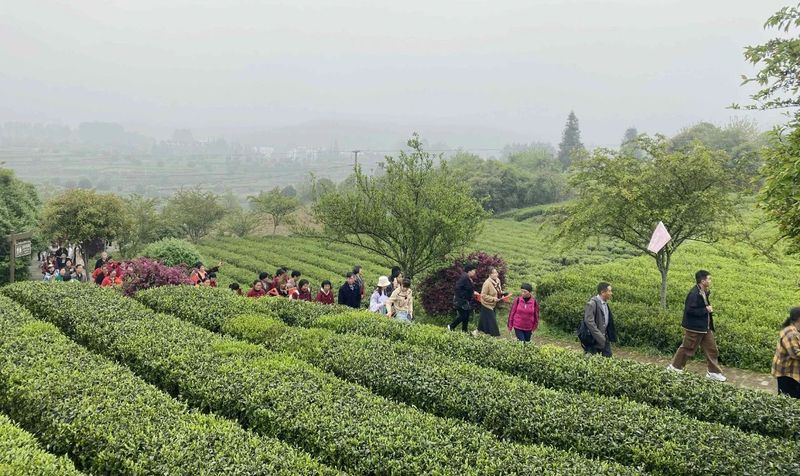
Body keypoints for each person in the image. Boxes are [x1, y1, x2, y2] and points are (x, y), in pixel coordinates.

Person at [666, 270, 726, 382]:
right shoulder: (693, 294)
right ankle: (674, 367)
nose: (710, 281)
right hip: (694, 327)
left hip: (705, 327)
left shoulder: (703, 291)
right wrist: (705, 309)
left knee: (712, 349)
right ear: (703, 281)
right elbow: (689, 311)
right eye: (709, 279)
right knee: (687, 348)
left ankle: (713, 372)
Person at [582, 282, 617, 357]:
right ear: (602, 292)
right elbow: (589, 322)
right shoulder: (592, 304)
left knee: (608, 359)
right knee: (591, 361)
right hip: (593, 339)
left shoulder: (605, 304)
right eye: (609, 291)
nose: (611, 293)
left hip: (604, 338)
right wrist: (600, 337)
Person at [772, 307, 800, 398]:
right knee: (787, 398)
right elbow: (795, 354)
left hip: (789, 371)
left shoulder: (794, 329)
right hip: (787, 373)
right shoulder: (791, 333)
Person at [476, 267, 506, 337]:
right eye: (494, 273)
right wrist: (493, 298)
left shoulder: (498, 280)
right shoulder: (487, 283)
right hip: (487, 304)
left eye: (496, 272)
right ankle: (494, 336)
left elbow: (499, 290)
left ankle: (477, 331)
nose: (496, 274)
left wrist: (502, 295)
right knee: (493, 322)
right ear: (490, 274)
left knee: (483, 319)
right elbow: (483, 295)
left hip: (494, 304)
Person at [448, 264, 477, 332]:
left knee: (466, 316)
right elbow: (457, 288)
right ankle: (451, 326)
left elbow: (467, 288)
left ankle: (464, 331)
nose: (474, 272)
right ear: (469, 271)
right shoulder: (464, 277)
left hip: (465, 300)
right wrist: (463, 296)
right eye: (473, 270)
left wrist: (473, 292)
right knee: (463, 316)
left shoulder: (467, 277)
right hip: (461, 300)